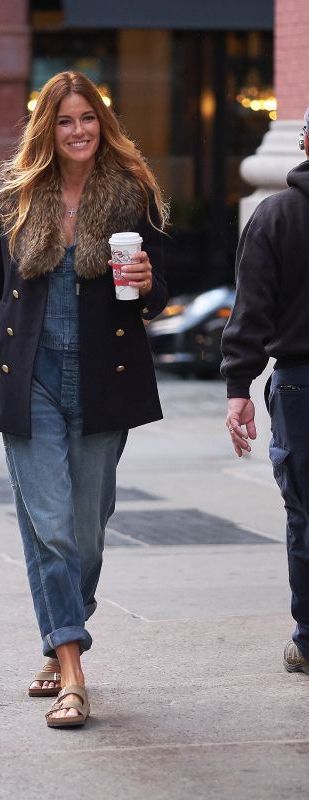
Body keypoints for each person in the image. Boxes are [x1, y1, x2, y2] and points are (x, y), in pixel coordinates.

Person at [0, 70, 168, 727]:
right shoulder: (16, 198)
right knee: (48, 529)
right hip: (29, 379)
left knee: (85, 536)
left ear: (101, 125)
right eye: (65, 120)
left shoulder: (130, 195)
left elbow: (155, 293)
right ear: (47, 129)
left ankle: (58, 632)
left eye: (87, 119)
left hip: (103, 379)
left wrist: (150, 281)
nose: (77, 131)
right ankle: (73, 670)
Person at [221, 105, 309, 679]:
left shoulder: (276, 215)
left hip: (301, 387)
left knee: (306, 516)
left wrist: (238, 387)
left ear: (303, 141)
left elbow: (251, 310)